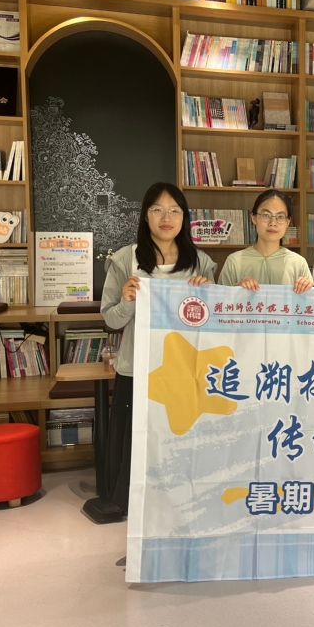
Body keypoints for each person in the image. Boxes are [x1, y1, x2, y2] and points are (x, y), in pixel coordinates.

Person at [100, 182, 217, 514]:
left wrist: (210, 294)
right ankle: (133, 505)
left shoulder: (201, 263)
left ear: (184, 217)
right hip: (137, 369)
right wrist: (127, 300)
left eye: (175, 211)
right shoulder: (125, 259)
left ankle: (183, 502)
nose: (167, 218)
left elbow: (214, 324)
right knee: (139, 439)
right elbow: (110, 319)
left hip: (186, 373)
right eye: (158, 210)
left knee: (181, 438)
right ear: (145, 215)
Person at [218, 189, 313, 293]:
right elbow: (219, 300)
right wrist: (237, 290)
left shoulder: (298, 263)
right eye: (266, 215)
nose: (273, 223)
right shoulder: (234, 261)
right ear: (254, 218)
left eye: (280, 217)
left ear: (287, 222)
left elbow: (310, 301)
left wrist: (309, 289)